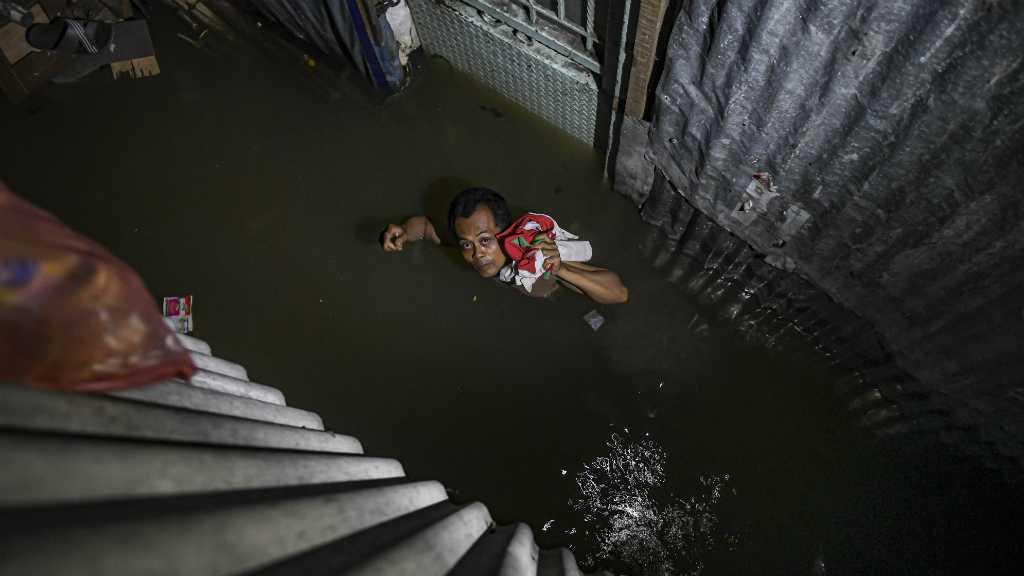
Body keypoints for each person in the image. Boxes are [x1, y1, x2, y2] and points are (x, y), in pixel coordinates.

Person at [380, 188, 629, 304]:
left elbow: (619, 293)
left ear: (508, 233)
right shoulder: (471, 250)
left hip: (546, 298)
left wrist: (560, 269)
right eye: (467, 244)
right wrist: (404, 230)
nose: (477, 253)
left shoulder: (536, 260)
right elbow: (424, 226)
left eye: (485, 240)